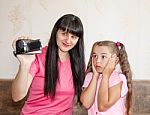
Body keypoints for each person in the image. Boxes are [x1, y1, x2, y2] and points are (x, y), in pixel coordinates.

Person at [12, 14, 85, 115]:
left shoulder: (79, 64)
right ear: (56, 32)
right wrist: (25, 64)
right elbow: (17, 96)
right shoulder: (38, 57)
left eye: (73, 37)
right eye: (64, 33)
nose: (68, 40)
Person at [80, 40, 132, 115]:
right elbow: (86, 103)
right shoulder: (90, 76)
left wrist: (105, 76)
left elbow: (102, 106)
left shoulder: (118, 78)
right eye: (94, 56)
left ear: (115, 60)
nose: (97, 61)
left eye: (103, 56)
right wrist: (95, 76)